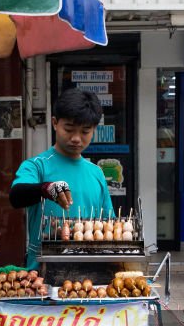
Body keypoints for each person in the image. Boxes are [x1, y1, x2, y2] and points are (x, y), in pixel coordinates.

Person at [10, 88, 114, 269]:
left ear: (94, 130)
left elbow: (109, 225)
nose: (76, 138)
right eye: (69, 129)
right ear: (55, 123)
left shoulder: (96, 173)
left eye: (85, 131)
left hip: (91, 277)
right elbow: (16, 196)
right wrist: (45, 189)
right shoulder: (37, 166)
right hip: (41, 276)